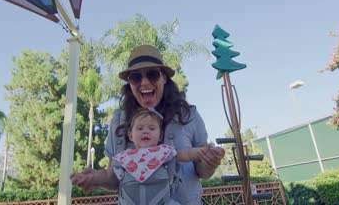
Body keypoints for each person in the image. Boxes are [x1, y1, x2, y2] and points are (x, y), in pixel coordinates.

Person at [71, 44, 225, 204]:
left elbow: (202, 171)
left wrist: (210, 162)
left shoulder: (188, 115)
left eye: (152, 75)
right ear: (130, 83)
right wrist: (94, 179)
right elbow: (114, 177)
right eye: (136, 77)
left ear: (164, 78)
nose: (144, 82)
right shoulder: (119, 121)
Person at [74, 108, 212, 204]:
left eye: (152, 128)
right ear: (130, 135)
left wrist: (202, 151)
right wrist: (90, 177)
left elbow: (186, 154)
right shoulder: (124, 157)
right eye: (140, 128)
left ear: (160, 135)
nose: (145, 131)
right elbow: (107, 174)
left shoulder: (163, 152)